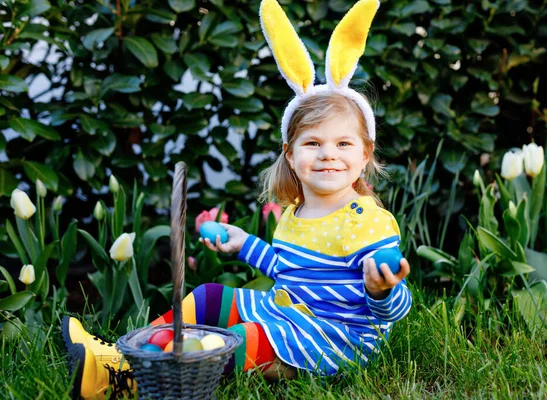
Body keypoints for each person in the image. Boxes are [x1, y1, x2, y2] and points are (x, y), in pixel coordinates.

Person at [62, 0, 412, 398]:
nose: (328, 153)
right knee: (209, 296)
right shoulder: (296, 212)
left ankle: (124, 381)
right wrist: (243, 243)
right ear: (290, 155)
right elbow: (287, 269)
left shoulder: (367, 221)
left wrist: (382, 290)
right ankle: (123, 354)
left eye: (343, 143)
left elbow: (395, 311)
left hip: (336, 339)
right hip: (289, 313)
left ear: (364, 154)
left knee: (238, 338)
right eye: (313, 143)